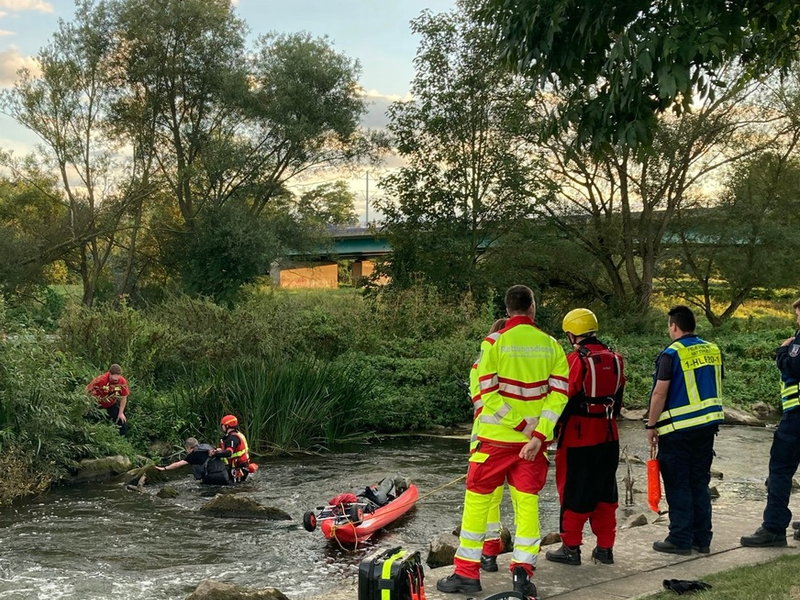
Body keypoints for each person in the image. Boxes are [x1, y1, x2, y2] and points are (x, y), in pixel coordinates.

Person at [437, 285, 569, 598]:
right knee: (527, 508)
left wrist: (520, 426)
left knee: (477, 507)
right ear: (532, 308)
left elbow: (488, 396)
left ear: (508, 309)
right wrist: (537, 434)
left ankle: (467, 575)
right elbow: (559, 394)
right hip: (533, 448)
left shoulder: (493, 343)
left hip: (494, 443)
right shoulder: (551, 345)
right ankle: (522, 575)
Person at [546, 309, 625, 567]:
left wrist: (549, 431)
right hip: (609, 434)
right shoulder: (616, 358)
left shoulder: (576, 360)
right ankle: (605, 548)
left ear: (571, 334)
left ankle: (571, 548)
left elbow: (562, 397)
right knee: (605, 490)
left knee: (574, 490)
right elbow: (619, 398)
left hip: (579, 436)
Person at [647, 306, 723, 555]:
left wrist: (651, 424)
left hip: (678, 429)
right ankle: (702, 539)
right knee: (699, 482)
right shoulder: (712, 349)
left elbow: (660, 392)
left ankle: (680, 538)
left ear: (674, 326)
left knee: (678, 484)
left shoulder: (671, 354)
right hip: (707, 427)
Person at [741, 298, 800, 547]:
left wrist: (782, 351)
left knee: (780, 470)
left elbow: (794, 367)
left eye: (798, 314)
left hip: (797, 416)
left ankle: (774, 527)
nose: (797, 319)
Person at [469, 318, 508, 573]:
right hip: (522, 441)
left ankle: (488, 555)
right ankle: (521, 564)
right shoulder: (522, 365)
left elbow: (479, 402)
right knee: (523, 500)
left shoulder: (479, 365)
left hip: (488, 440)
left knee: (486, 500)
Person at [156, 437, 231, 485]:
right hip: (224, 475)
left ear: (188, 447)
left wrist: (164, 468)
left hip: (211, 478)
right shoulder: (208, 447)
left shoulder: (193, 455)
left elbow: (177, 465)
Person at [86, 364, 129, 436]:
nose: (115, 381)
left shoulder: (122, 381)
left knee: (121, 420)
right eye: (113, 379)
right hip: (98, 404)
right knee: (89, 419)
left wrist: (121, 413)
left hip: (111, 404)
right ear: (110, 374)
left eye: (117, 379)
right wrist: (87, 404)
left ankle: (123, 439)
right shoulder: (101, 379)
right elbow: (87, 390)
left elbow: (124, 397)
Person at [212, 415, 253, 483]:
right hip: (242, 466)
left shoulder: (232, 438)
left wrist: (215, 454)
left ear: (227, 426)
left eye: (223, 425)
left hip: (237, 468)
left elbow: (229, 453)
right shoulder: (238, 435)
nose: (222, 427)